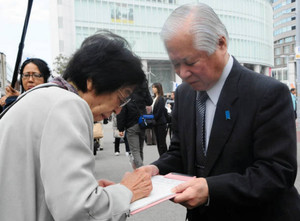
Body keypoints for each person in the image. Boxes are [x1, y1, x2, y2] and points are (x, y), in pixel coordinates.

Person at [144, 3, 300, 220]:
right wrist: (154, 170)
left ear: (221, 43)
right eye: (175, 64)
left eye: (190, 62)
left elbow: (276, 172)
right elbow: (180, 152)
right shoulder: (185, 95)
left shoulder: (267, 94)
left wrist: (211, 189)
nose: (183, 73)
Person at [0, 30, 154, 221]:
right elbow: (79, 211)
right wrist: (127, 190)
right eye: (122, 97)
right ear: (92, 82)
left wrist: (89, 190)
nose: (118, 110)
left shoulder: (42, 99)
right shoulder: (68, 104)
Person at [117, 79, 153, 168]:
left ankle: (141, 170)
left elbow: (122, 111)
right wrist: (146, 89)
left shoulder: (126, 90)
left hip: (131, 124)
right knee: (140, 149)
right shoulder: (142, 88)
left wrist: (120, 128)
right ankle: (140, 169)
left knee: (135, 151)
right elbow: (150, 102)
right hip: (142, 122)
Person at [152, 82, 168, 156]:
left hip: (161, 123)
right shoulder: (155, 98)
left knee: (162, 142)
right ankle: (161, 157)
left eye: (154, 87)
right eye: (152, 87)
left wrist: (152, 118)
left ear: (158, 88)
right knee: (158, 142)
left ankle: (164, 157)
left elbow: (159, 111)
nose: (153, 89)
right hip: (156, 123)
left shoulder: (161, 98)